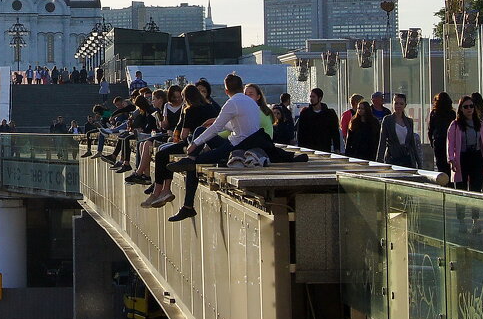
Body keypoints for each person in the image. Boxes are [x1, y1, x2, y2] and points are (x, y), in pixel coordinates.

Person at [163, 74, 278, 222]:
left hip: (235, 148)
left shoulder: (232, 103)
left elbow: (216, 128)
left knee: (194, 161)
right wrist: (214, 121)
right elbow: (235, 124)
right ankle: (190, 165)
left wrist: (195, 143)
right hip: (245, 144)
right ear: (242, 88)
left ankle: (188, 205)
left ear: (226, 90)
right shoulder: (251, 103)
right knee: (199, 132)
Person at [144, 84, 219, 209]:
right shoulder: (210, 107)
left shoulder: (190, 110)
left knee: (161, 154)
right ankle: (163, 191)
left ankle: (160, 190)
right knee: (166, 153)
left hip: (194, 143)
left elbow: (184, 135)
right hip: (212, 142)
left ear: (187, 98)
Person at [449, 95, 483, 193]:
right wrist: (451, 159)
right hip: (462, 157)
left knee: (476, 188)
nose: (469, 109)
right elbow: (450, 143)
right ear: (461, 109)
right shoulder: (455, 125)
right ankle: (460, 208)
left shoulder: (480, 124)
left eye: (471, 106)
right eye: (465, 107)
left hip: (476, 157)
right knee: (461, 189)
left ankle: (475, 208)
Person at [378, 93, 421, 168]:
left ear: (405, 105)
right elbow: (382, 141)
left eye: (401, 104)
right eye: (396, 103)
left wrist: (418, 162)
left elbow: (412, 143)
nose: (398, 106)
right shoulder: (387, 120)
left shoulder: (409, 121)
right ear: (393, 104)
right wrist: (379, 161)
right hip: (393, 157)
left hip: (407, 157)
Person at [294, 88, 340, 153]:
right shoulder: (305, 113)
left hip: (324, 148)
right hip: (309, 148)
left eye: (313, 96)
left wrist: (337, 148)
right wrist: (301, 148)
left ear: (320, 98)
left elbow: (335, 132)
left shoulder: (329, 113)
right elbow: (300, 132)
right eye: (310, 96)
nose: (311, 99)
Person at [428, 92, 455, 178]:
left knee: (441, 165)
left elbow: (430, 129)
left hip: (438, 141)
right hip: (449, 142)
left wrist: (432, 142)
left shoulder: (434, 113)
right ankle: (450, 183)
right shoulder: (452, 113)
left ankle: (443, 182)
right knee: (449, 165)